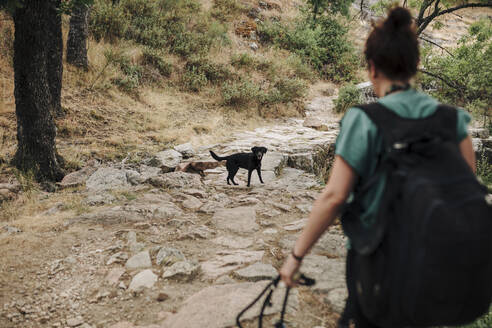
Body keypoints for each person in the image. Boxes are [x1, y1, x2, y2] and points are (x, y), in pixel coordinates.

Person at [279, 6, 476, 328]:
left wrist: (295, 258)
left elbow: (334, 197)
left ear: (372, 68)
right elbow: (466, 195)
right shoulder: (453, 121)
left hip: (377, 263)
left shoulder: (364, 120)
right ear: (416, 66)